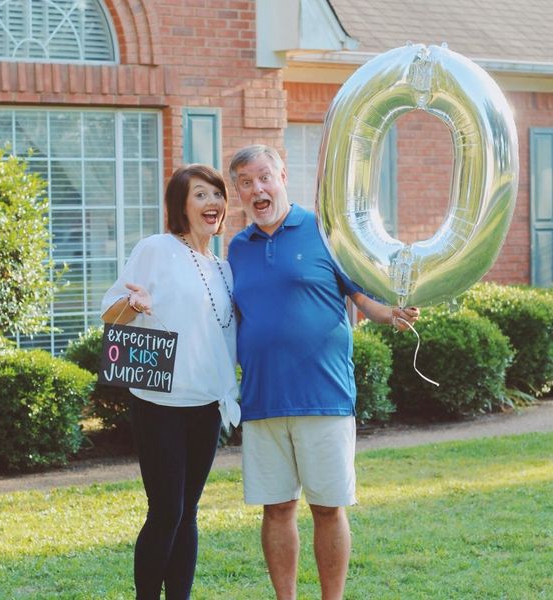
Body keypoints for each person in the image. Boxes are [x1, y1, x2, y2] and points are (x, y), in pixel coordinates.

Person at [227, 145, 419, 600]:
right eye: (246, 183)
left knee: (328, 509)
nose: (258, 189)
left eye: (264, 178)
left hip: (324, 395)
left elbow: (362, 299)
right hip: (261, 400)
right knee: (275, 508)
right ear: (237, 191)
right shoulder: (236, 248)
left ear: (282, 176)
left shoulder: (323, 231)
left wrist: (390, 313)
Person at [101, 164, 240, 600]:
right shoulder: (157, 248)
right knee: (166, 511)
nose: (212, 203)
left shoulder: (223, 268)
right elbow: (110, 311)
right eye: (200, 195)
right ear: (181, 205)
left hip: (205, 404)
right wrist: (133, 302)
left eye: (216, 194)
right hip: (159, 402)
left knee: (190, 513)